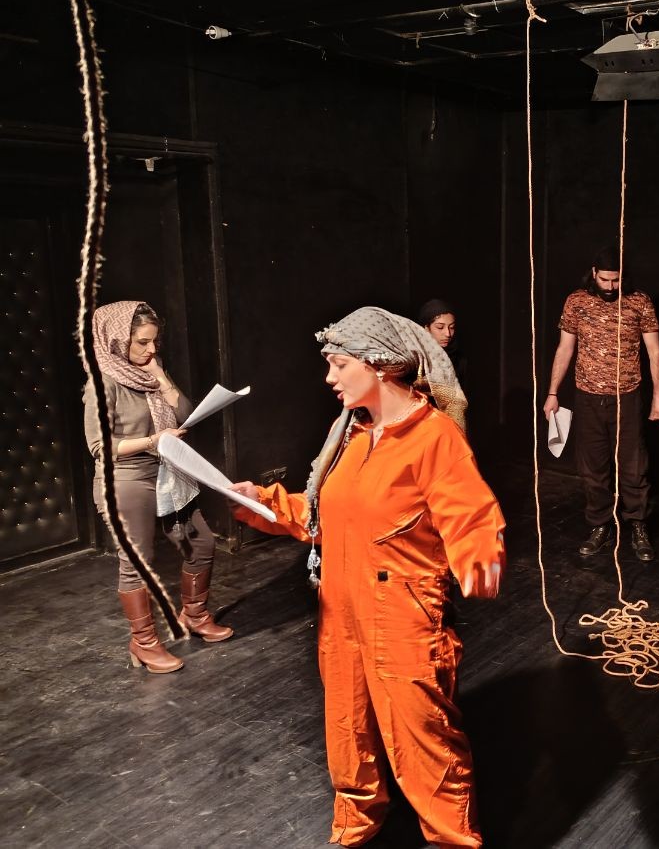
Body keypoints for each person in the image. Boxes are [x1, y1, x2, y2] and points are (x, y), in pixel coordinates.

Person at [230, 306, 504, 848]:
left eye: (339, 365)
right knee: (348, 728)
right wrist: (263, 503)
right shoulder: (351, 435)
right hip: (342, 609)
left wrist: (479, 559)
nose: (329, 378)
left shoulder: (433, 437)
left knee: (424, 741)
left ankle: (452, 840)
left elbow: (472, 515)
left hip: (403, 614)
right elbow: (325, 515)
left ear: (379, 365)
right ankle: (355, 825)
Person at [83, 301, 233, 675]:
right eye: (142, 343)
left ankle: (194, 615)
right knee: (138, 561)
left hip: (167, 470)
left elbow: (185, 415)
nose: (151, 350)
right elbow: (100, 446)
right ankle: (144, 642)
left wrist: (162, 379)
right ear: (117, 341)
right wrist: (153, 440)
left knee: (201, 543)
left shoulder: (151, 373)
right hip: (127, 477)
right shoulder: (103, 383)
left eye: (155, 341)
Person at [543, 247, 659, 562]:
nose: (611, 286)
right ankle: (600, 524)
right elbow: (564, 348)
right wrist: (552, 392)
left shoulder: (639, 301)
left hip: (628, 397)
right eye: (605, 279)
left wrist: (658, 397)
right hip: (587, 398)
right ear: (594, 273)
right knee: (593, 468)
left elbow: (655, 352)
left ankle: (637, 524)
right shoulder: (576, 301)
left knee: (633, 467)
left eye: (617, 280)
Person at [418, 297, 465, 384]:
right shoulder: (415, 357)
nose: (448, 334)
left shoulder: (459, 360)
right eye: (440, 327)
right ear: (426, 328)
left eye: (452, 327)